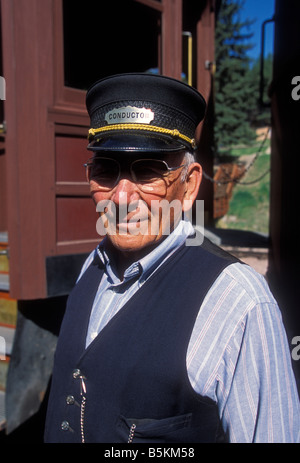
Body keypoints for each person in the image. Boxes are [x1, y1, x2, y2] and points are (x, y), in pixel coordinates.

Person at [44, 73, 299, 443]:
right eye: (105, 170)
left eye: (148, 171)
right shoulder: (93, 266)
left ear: (190, 184)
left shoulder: (240, 303)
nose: (120, 198)